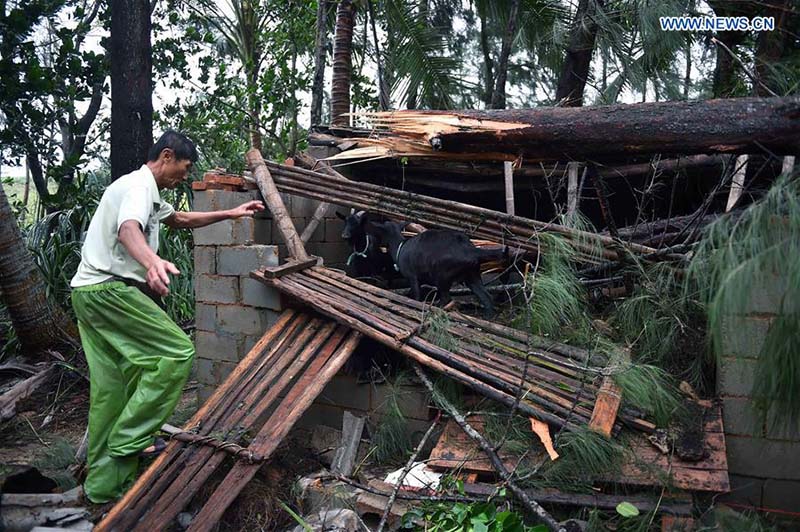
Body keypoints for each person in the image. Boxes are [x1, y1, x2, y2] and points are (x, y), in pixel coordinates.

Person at [70, 131, 264, 503]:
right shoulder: (138, 188)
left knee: (112, 392)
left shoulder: (146, 192)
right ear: (167, 156)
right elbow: (128, 229)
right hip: (109, 291)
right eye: (184, 168)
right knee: (176, 352)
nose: (183, 177)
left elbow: (181, 219)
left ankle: (102, 489)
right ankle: (132, 439)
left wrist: (231, 212)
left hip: (86, 294)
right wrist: (152, 261)